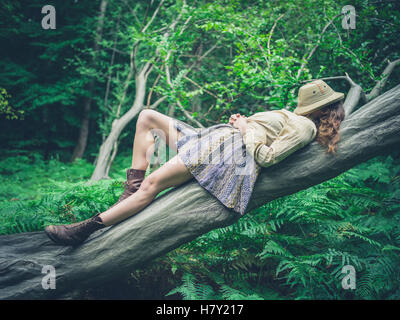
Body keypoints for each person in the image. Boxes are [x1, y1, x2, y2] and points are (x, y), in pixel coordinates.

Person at [44, 79, 345, 246]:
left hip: (226, 154)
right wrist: (243, 123)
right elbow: (261, 135)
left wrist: (245, 128)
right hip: (217, 141)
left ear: (314, 110)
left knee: (153, 185)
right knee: (147, 117)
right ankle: (129, 192)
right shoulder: (299, 121)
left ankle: (83, 230)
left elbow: (268, 157)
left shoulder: (305, 127)